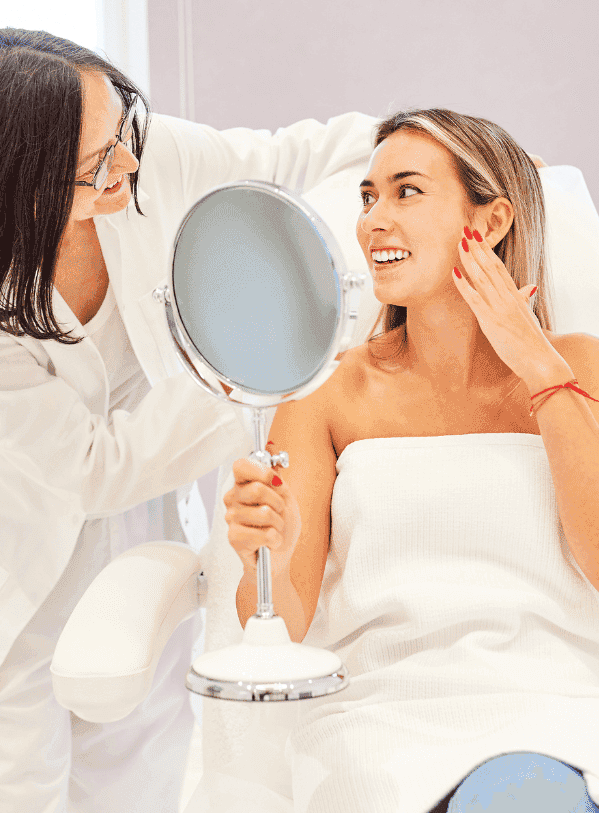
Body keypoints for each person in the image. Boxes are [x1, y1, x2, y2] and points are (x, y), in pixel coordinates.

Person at [0, 27, 376, 813]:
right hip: (4, 556)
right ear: (21, 189)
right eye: (97, 165)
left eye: (121, 132)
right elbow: (91, 471)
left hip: (135, 535)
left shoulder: (145, 157)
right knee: (8, 785)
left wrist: (441, 150)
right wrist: (244, 364)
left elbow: (301, 157)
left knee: (139, 776)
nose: (128, 165)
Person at [224, 109, 599, 812]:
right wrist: (263, 551)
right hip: (380, 724)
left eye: (406, 191)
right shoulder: (327, 391)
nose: (372, 222)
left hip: (556, 710)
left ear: (488, 225)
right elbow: (283, 622)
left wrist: (538, 369)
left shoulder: (581, 368)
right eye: (368, 198)